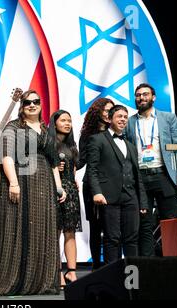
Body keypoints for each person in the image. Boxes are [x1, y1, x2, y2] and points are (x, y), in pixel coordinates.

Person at [0, 90, 66, 295]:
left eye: (36, 101)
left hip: (44, 186)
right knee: (17, 228)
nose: (32, 105)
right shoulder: (14, 127)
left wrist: (58, 186)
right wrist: (13, 183)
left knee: (41, 229)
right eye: (27, 102)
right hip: (21, 181)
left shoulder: (46, 130)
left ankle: (41, 281)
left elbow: (54, 161)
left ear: (40, 104)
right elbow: (7, 156)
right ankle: (17, 279)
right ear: (22, 106)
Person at [125, 83, 177, 256]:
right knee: (144, 222)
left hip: (163, 174)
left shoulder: (168, 118)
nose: (141, 98)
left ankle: (171, 260)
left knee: (169, 220)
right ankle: (148, 263)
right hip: (140, 177)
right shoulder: (130, 122)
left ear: (153, 97)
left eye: (145, 94)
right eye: (138, 95)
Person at [87, 105, 148, 264]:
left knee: (132, 239)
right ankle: (112, 282)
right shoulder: (97, 139)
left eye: (125, 117)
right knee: (112, 239)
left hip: (131, 198)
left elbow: (137, 175)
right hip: (108, 196)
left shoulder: (131, 146)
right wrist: (97, 192)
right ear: (109, 119)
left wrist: (142, 201)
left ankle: (131, 282)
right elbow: (92, 169)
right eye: (119, 116)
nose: (122, 119)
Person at [77, 97, 114, 270]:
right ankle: (97, 267)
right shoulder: (87, 134)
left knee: (111, 228)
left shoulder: (116, 132)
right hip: (91, 185)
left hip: (112, 184)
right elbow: (81, 161)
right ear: (98, 111)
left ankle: (110, 265)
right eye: (106, 110)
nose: (109, 113)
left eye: (111, 110)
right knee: (95, 227)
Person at [48, 110, 81, 285]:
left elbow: (74, 169)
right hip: (54, 191)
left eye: (69, 120)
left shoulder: (72, 146)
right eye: (63, 120)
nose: (67, 123)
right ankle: (56, 272)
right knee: (55, 232)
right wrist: (53, 169)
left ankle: (72, 272)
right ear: (54, 123)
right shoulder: (49, 143)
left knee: (70, 232)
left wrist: (74, 180)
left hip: (71, 192)